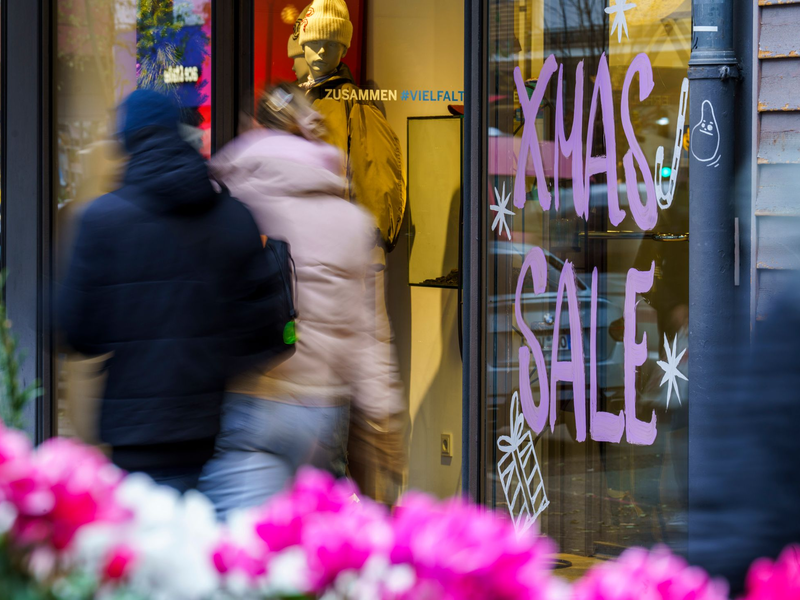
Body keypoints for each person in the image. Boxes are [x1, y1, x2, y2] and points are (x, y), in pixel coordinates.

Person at [58, 89, 290, 493]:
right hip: (219, 433)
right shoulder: (234, 217)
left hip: (135, 439)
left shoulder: (102, 220)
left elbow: (76, 333)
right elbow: (265, 334)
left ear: (126, 142)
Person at [199, 84, 405, 518]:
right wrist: (384, 422)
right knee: (305, 555)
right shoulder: (354, 221)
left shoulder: (230, 200)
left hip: (252, 399)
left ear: (255, 127)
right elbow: (370, 336)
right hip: (321, 412)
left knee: (244, 553)